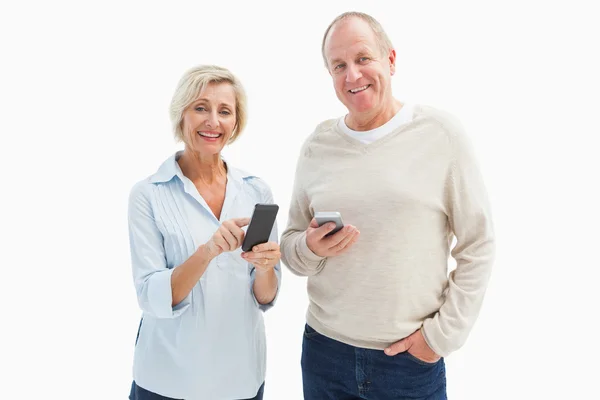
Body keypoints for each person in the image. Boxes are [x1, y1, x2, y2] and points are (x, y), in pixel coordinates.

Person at [280, 11, 495, 400]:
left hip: (408, 363)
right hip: (324, 354)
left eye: (363, 59)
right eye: (338, 66)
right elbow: (291, 247)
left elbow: (478, 244)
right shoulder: (318, 145)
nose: (352, 76)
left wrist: (440, 337)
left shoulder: (439, 135)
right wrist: (309, 248)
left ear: (390, 60)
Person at [127, 65, 281, 400]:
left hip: (240, 380)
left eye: (224, 111)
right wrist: (206, 252)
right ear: (180, 115)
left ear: (235, 123)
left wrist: (266, 267)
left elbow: (265, 296)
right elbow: (150, 294)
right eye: (201, 108)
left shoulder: (256, 191)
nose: (213, 121)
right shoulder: (149, 193)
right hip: (168, 381)